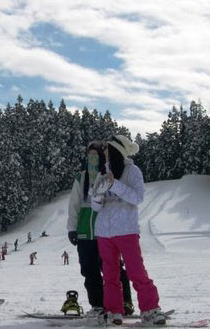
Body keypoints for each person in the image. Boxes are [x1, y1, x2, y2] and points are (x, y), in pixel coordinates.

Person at [91, 134, 165, 325]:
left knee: (135, 270)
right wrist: (98, 196)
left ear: (116, 150)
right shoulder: (102, 172)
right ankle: (113, 310)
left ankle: (150, 308)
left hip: (126, 229)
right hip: (104, 232)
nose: (104, 153)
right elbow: (95, 206)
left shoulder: (133, 172)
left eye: (107, 149)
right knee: (109, 274)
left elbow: (138, 198)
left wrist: (115, 185)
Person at [67, 141, 134, 316]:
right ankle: (97, 305)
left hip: (105, 232)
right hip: (84, 232)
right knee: (90, 271)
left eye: (96, 154)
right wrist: (72, 228)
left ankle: (124, 302)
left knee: (114, 269)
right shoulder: (81, 178)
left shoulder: (109, 174)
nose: (93, 158)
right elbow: (74, 205)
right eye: (90, 155)